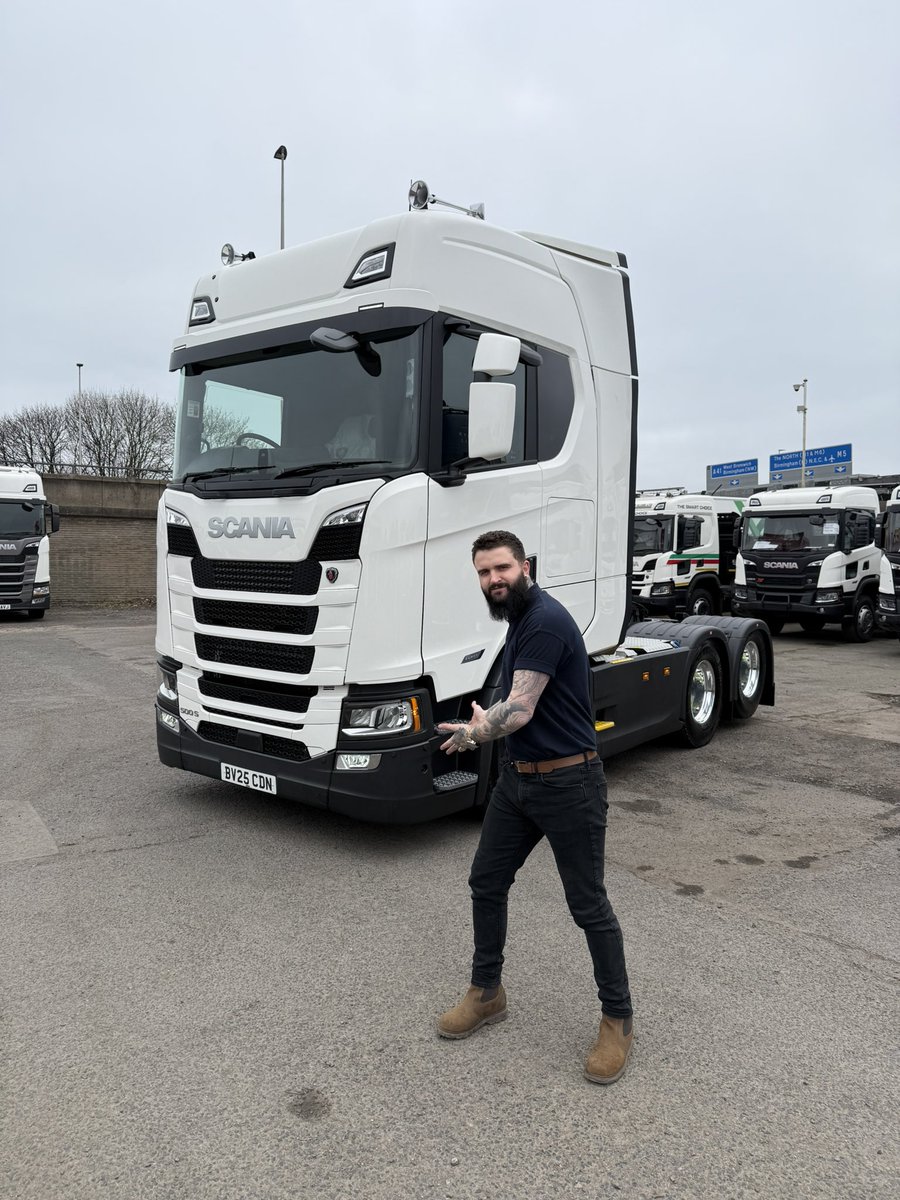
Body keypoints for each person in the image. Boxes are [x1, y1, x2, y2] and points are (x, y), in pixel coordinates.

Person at [435, 530, 634, 1085]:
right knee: (486, 882)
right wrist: (484, 720)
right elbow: (517, 699)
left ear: (526, 566)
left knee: (588, 905)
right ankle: (487, 991)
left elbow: (519, 710)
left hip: (569, 784)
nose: (492, 580)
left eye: (501, 568)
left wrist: (477, 731)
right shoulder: (519, 622)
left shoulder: (543, 620)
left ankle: (618, 1020)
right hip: (517, 782)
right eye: (482, 572)